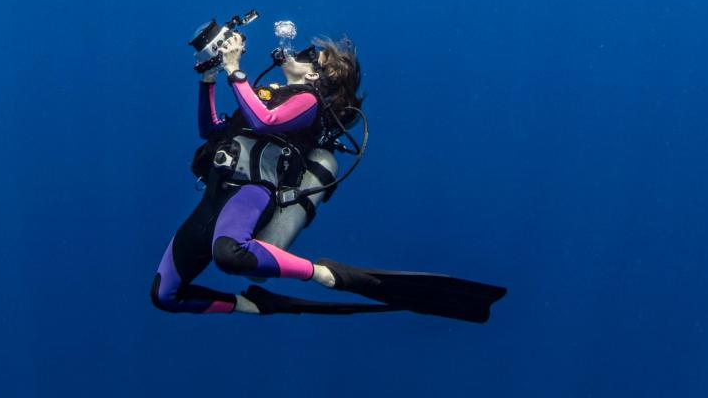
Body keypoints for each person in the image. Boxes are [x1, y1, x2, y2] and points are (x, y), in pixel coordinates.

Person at [150, 28, 507, 322]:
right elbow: (210, 130)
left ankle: (321, 274)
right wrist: (208, 78)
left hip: (249, 190)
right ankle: (255, 305)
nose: (298, 51)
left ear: (317, 75)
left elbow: (264, 122)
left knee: (229, 255)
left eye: (308, 54)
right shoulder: (265, 94)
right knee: (164, 295)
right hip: (214, 194)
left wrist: (234, 69)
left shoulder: (309, 101)